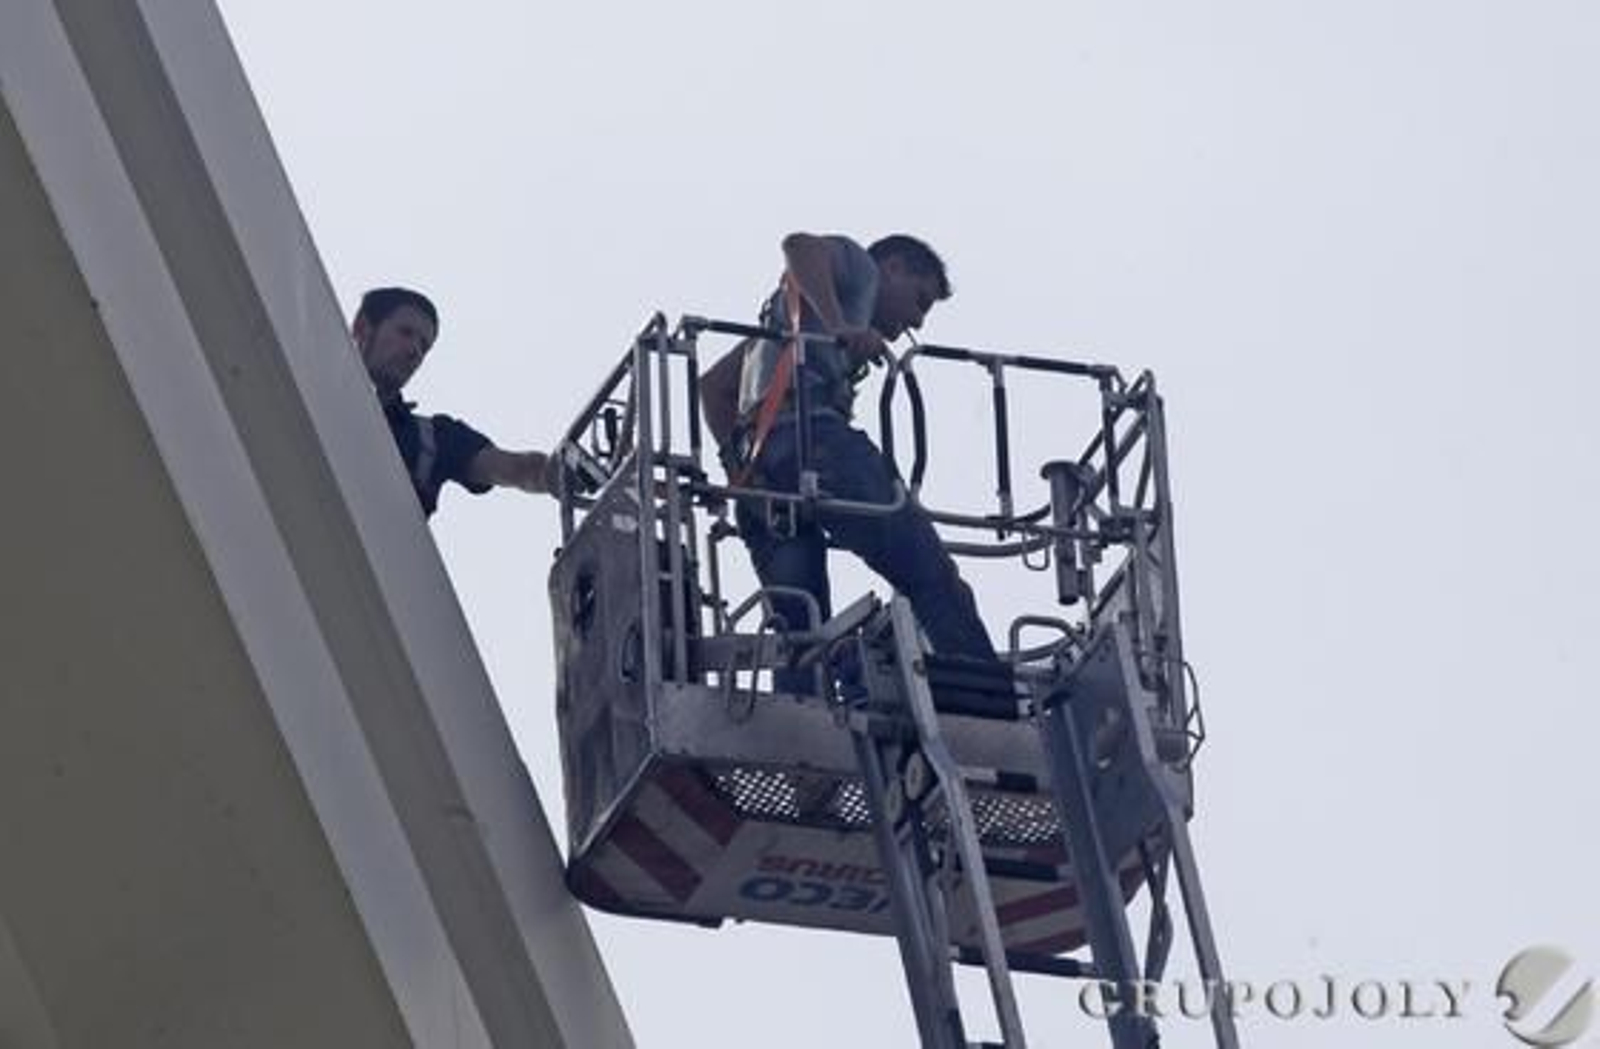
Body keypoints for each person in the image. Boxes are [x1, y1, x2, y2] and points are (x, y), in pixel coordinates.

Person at [700, 233, 997, 694]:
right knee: (930, 574)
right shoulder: (860, 268)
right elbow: (800, 245)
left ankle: (799, 739)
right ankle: (987, 702)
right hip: (819, 447)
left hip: (768, 484)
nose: (916, 321)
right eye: (919, 300)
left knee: (800, 633)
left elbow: (714, 387)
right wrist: (843, 325)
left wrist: (742, 476)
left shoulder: (782, 329)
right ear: (893, 268)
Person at [353, 286, 555, 517]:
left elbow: (515, 468)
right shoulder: (306, 379)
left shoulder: (434, 440)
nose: (414, 351)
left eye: (424, 346)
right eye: (405, 332)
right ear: (363, 327)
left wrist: (561, 472)